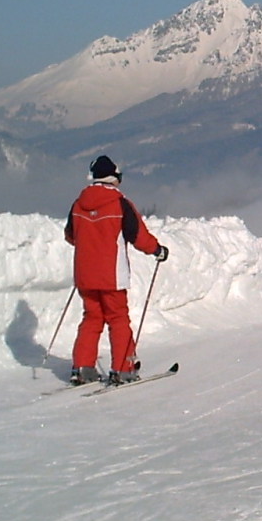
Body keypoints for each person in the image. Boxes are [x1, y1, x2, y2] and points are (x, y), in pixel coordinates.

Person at [63, 155, 167, 384]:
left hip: (85, 274)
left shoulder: (78, 203)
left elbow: (70, 236)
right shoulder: (119, 203)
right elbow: (138, 236)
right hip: (112, 274)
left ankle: (82, 367)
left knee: (92, 317)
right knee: (118, 318)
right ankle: (123, 368)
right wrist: (158, 250)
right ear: (114, 177)